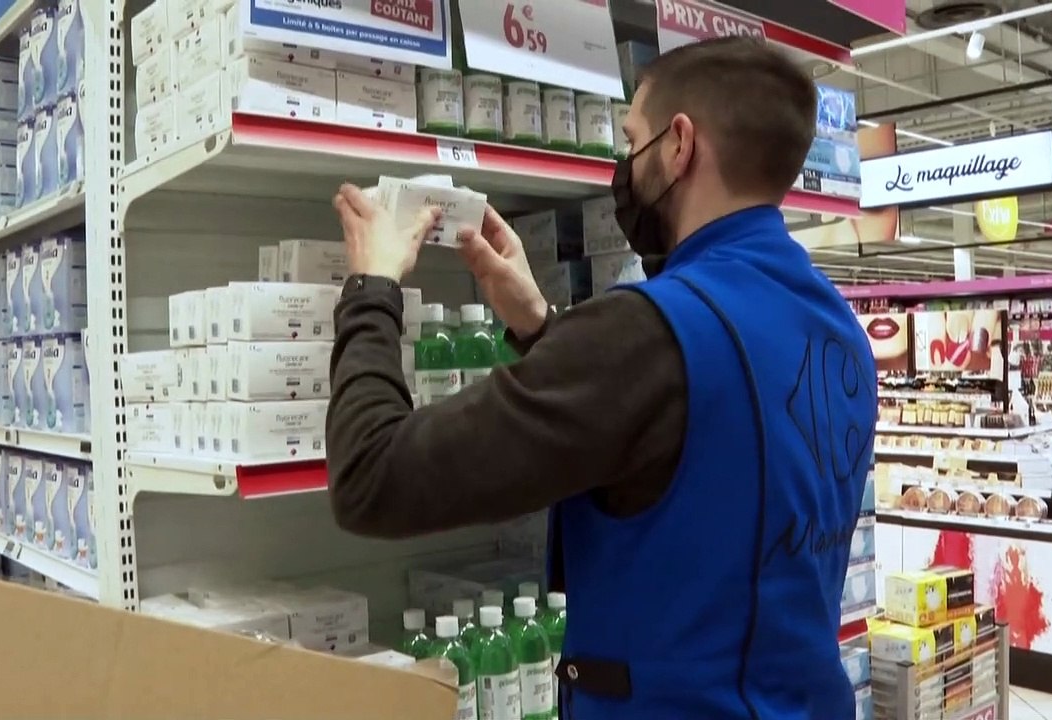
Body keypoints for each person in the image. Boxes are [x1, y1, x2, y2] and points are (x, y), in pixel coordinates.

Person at [327, 37, 877, 720]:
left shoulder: (645, 333)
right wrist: (539, 329)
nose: (626, 163)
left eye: (632, 139)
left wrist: (371, 288)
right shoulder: (838, 326)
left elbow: (371, 478)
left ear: (680, 145)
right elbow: (697, 456)